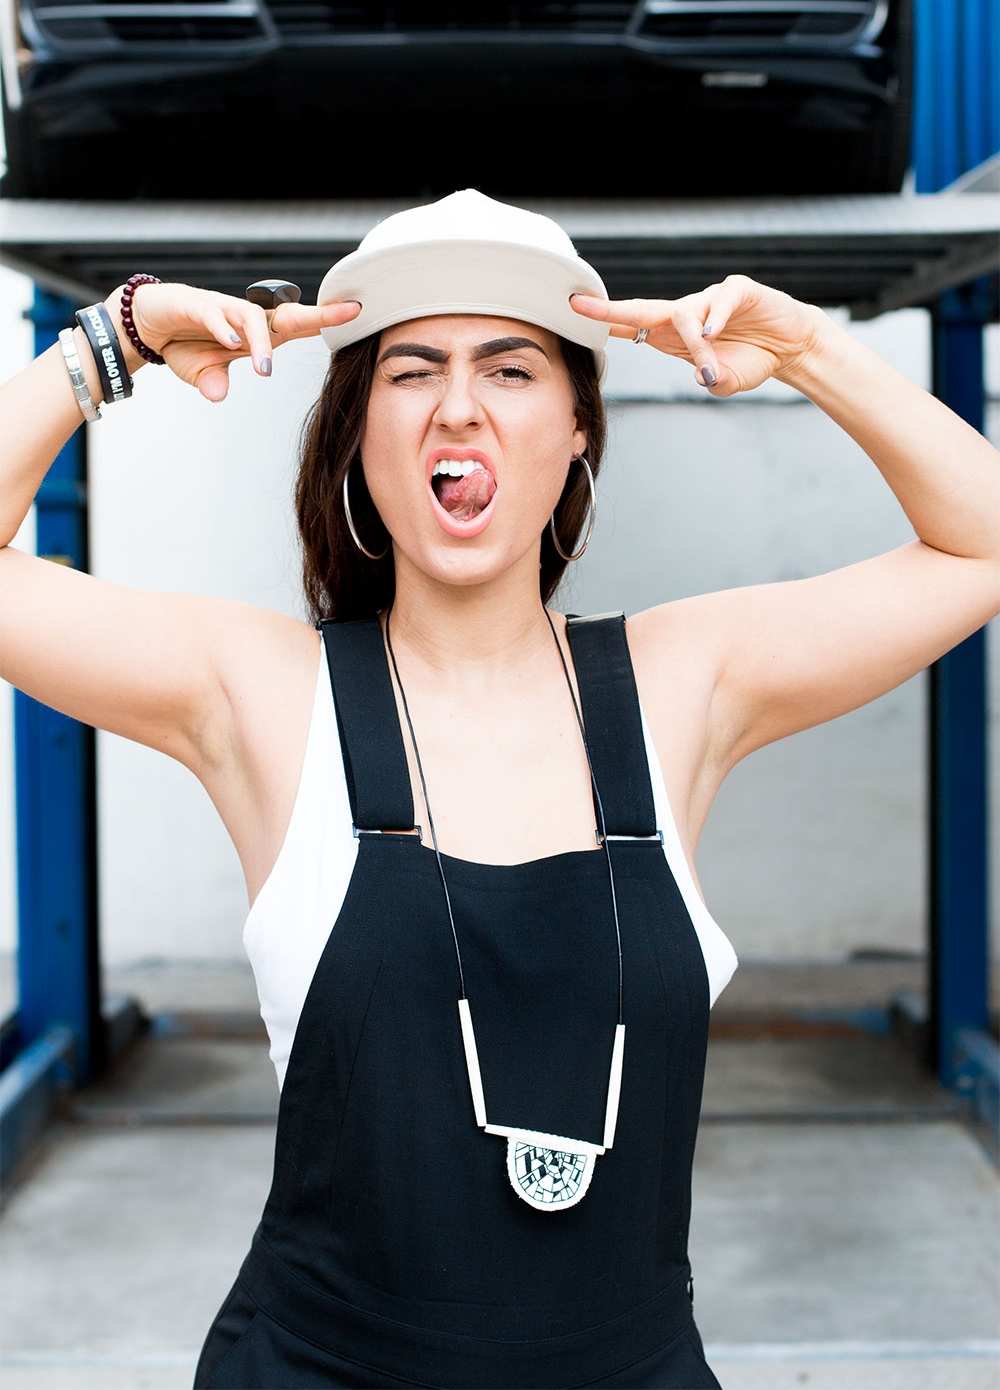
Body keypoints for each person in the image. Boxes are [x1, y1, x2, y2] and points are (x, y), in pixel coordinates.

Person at [1, 190, 998, 1390]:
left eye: (512, 369)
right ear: (357, 433)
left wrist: (809, 350)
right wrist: (111, 344)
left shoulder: (684, 683)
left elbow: (979, 545)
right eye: (411, 371)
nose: (458, 407)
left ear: (581, 424)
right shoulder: (263, 695)